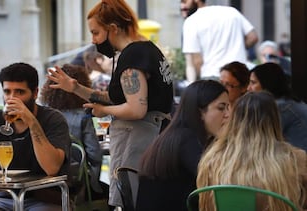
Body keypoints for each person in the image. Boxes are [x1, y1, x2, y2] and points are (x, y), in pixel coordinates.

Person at [47, 0, 174, 207]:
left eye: (96, 32)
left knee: (133, 200)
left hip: (138, 140)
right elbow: (120, 98)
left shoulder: (132, 56)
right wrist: (76, 88)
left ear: (113, 29)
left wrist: (103, 111)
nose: (94, 40)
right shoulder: (146, 49)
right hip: (152, 137)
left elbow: (135, 108)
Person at [0, 62, 71, 211]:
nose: (12, 98)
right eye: (7, 92)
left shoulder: (53, 119)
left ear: (35, 93)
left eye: (19, 92)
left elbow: (51, 168)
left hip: (46, 198)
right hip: (5, 198)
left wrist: (31, 121)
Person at [197, 91, 306, 210]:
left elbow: (205, 205)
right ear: (275, 120)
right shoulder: (295, 159)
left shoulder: (212, 158)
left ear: (235, 120)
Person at [136, 80, 229, 211]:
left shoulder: (183, 135)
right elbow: (219, 180)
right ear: (200, 112)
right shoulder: (186, 139)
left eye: (228, 107)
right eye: (221, 108)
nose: (228, 114)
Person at [40, 63, 104, 194]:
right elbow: (95, 154)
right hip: (74, 180)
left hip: (44, 178)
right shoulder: (83, 115)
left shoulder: (43, 114)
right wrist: (94, 184)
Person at [182, 0, 258, 80]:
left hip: (213, 76)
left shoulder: (191, 22)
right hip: (240, 75)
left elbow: (197, 61)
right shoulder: (232, 12)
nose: (182, 6)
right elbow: (253, 37)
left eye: (184, 1)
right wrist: (238, 46)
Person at [247, 62, 307, 151]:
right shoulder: (287, 102)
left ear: (267, 84)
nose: (248, 88)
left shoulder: (280, 108)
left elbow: (258, 143)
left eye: (253, 83)